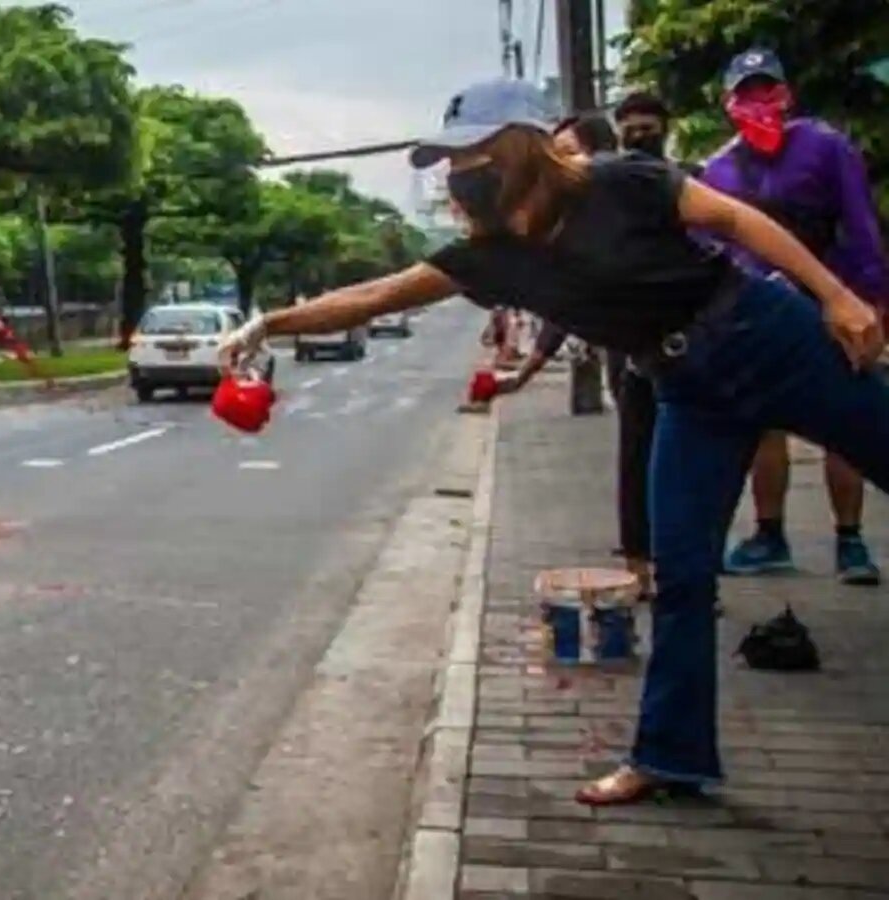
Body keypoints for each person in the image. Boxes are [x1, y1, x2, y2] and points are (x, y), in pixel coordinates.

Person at [219, 78, 888, 805]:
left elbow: (736, 221)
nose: (454, 175)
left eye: (467, 156)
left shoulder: (622, 180)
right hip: (686, 391)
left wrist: (837, 296)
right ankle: (670, 758)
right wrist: (268, 326)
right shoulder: (491, 255)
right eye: (449, 162)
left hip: (766, 336)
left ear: (513, 150)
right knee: (680, 575)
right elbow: (373, 296)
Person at [703, 49, 888, 585]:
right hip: (760, 316)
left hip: (835, 307)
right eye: (748, 93)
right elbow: (715, 252)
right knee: (765, 427)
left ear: (787, 95)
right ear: (728, 103)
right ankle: (769, 534)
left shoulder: (824, 147)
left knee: (845, 421)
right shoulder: (719, 169)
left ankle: (851, 541)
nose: (760, 103)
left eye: (768, 90)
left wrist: (872, 299)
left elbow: (860, 224)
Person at [499, 112, 660, 599]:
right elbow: (560, 306)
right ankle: (644, 573)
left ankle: (685, 573)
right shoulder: (569, 226)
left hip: (693, 358)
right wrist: (524, 372)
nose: (559, 167)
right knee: (636, 463)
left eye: (566, 154)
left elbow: (730, 222)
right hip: (634, 364)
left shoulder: (652, 193)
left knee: (676, 473)